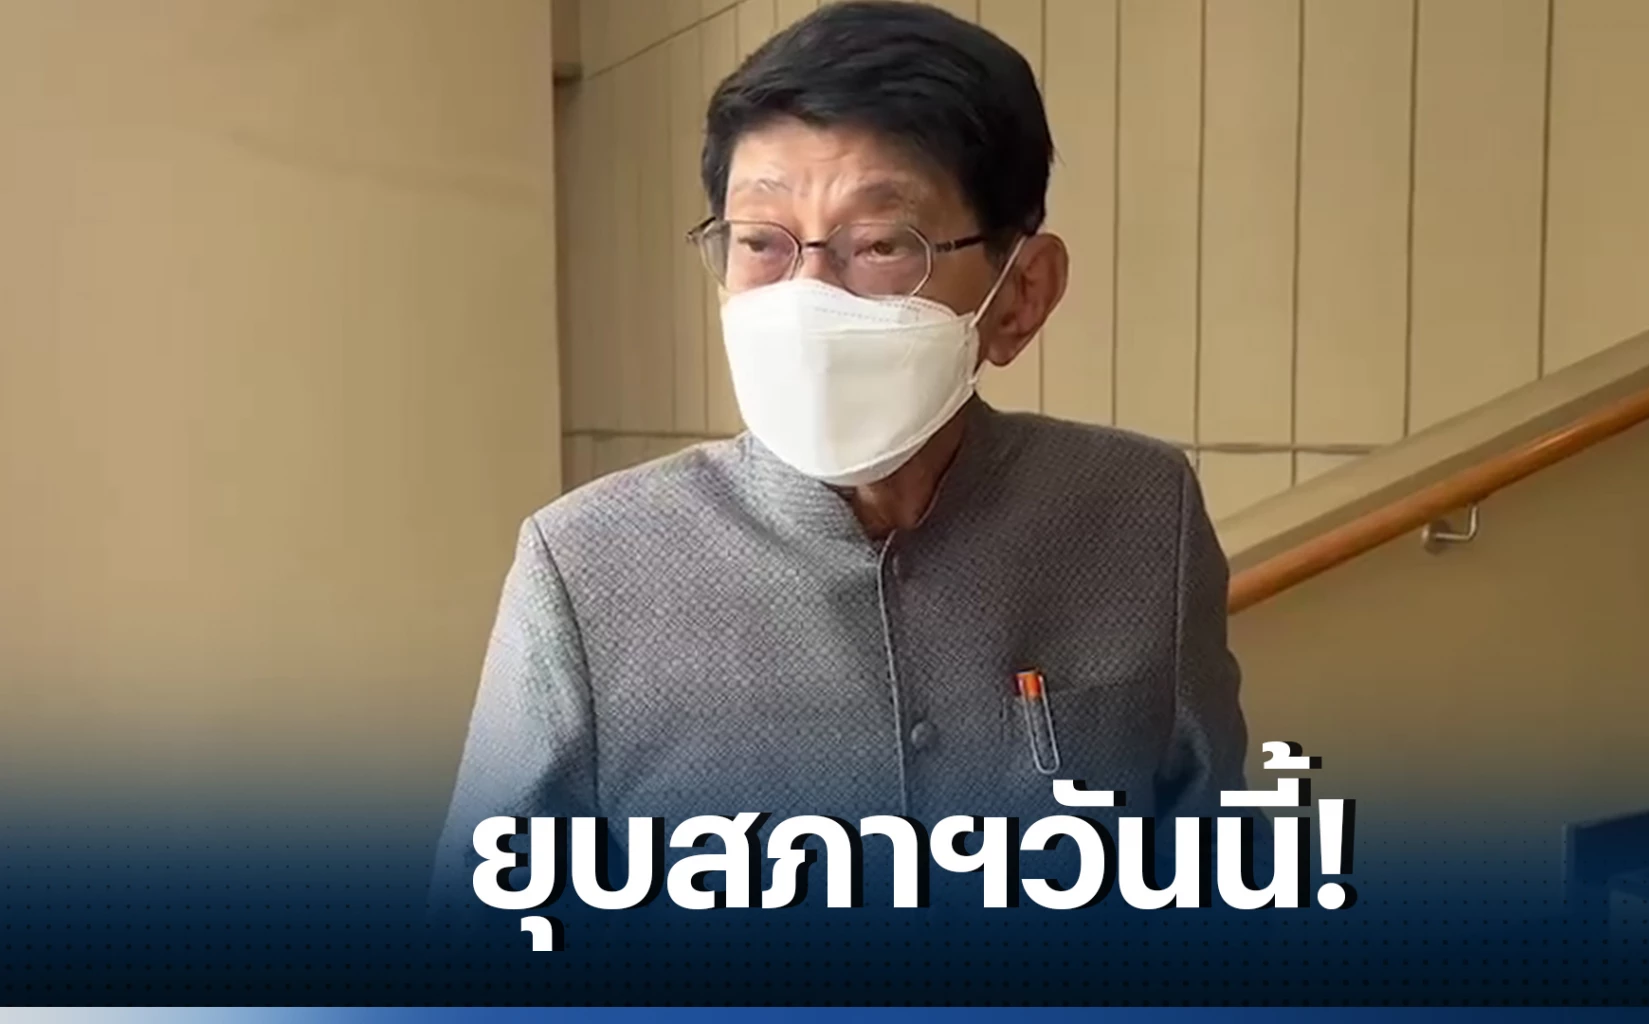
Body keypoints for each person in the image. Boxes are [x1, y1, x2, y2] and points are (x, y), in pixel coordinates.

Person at [434, 0, 1256, 901]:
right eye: (760, 242)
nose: (807, 296)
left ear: (1021, 295)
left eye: (880, 244)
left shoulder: (1141, 513)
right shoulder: (589, 566)